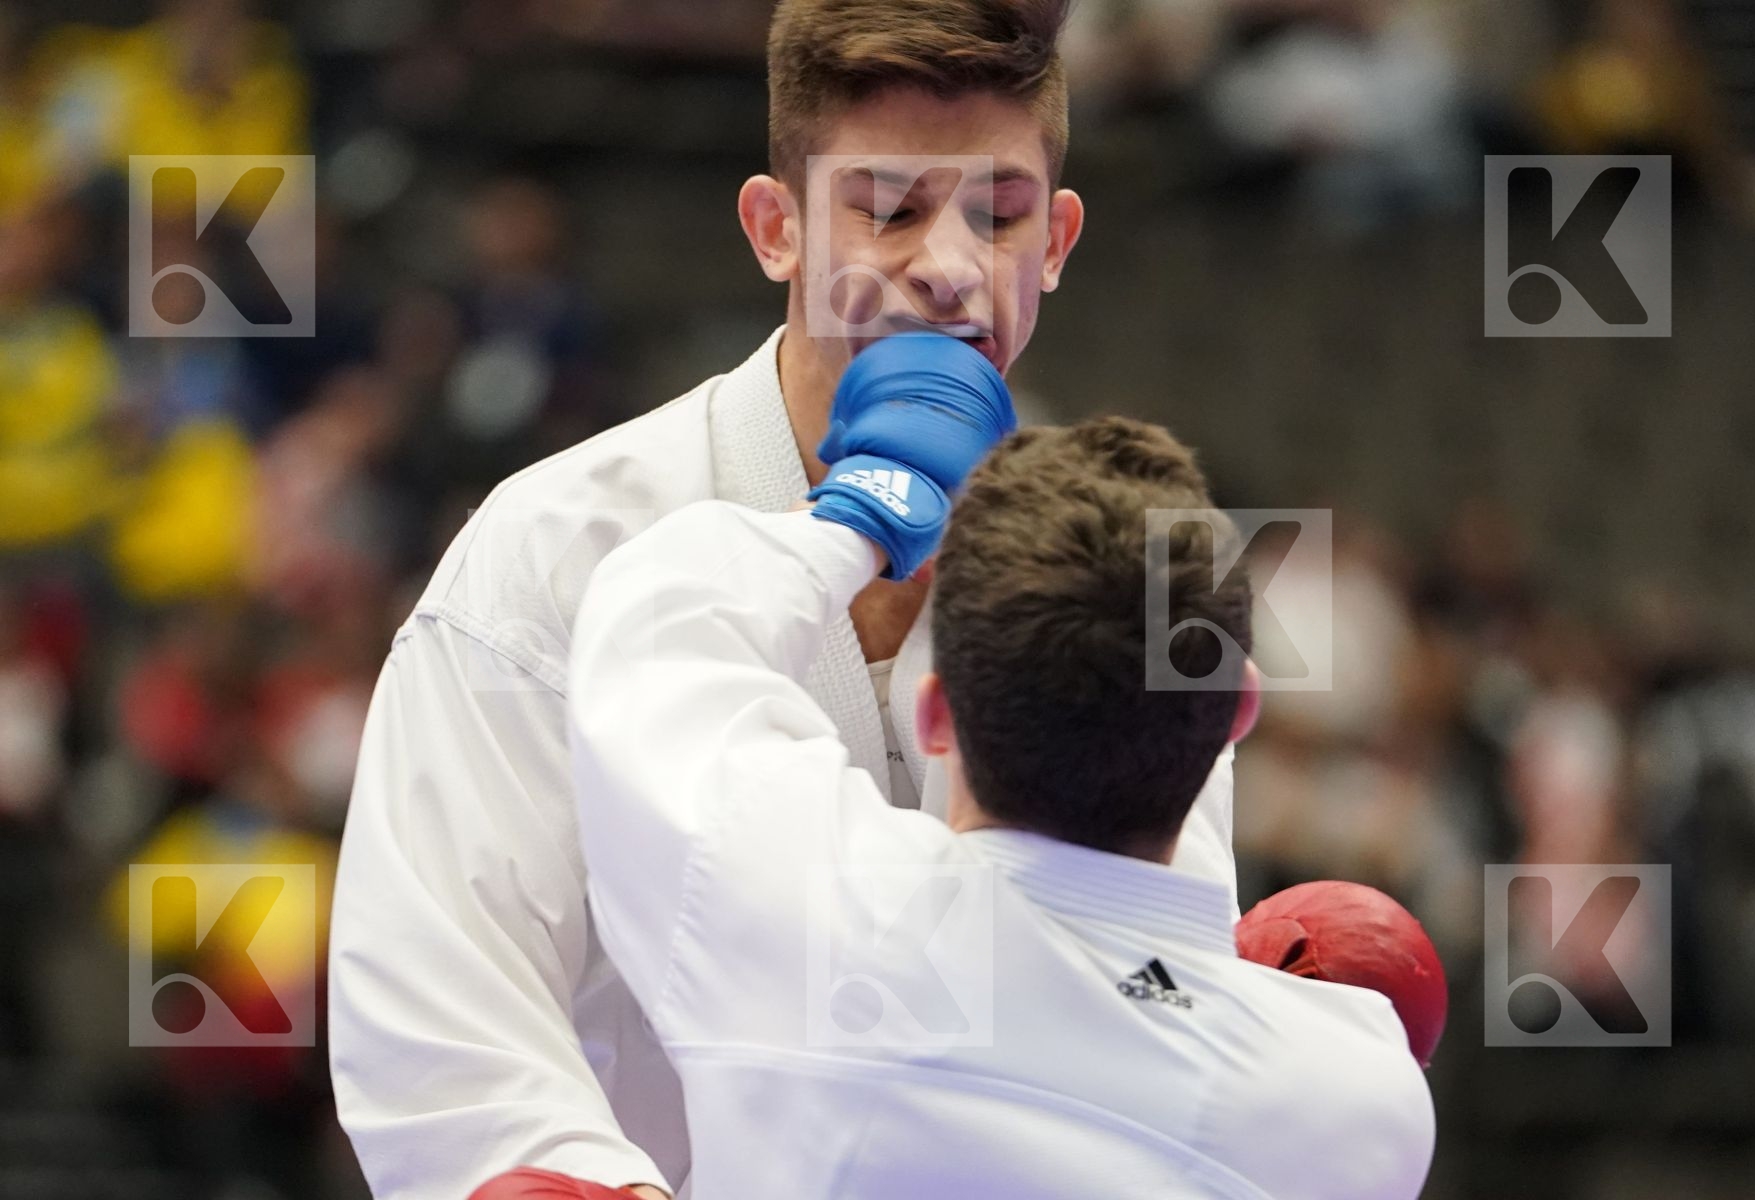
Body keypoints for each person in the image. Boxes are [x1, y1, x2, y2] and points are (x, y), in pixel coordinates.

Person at [329, 3, 1245, 1198]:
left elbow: (1150, 986)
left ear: (1059, 239)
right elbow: (443, 1013)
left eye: (1000, 214)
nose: (952, 265)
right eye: (890, 207)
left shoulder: (1117, 575)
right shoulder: (559, 547)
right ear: (776, 228)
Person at [529, 339, 1433, 1198]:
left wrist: (862, 512)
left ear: (933, 715)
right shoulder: (1352, 1101)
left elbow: (659, 626)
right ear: (1241, 711)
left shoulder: (818, 926)